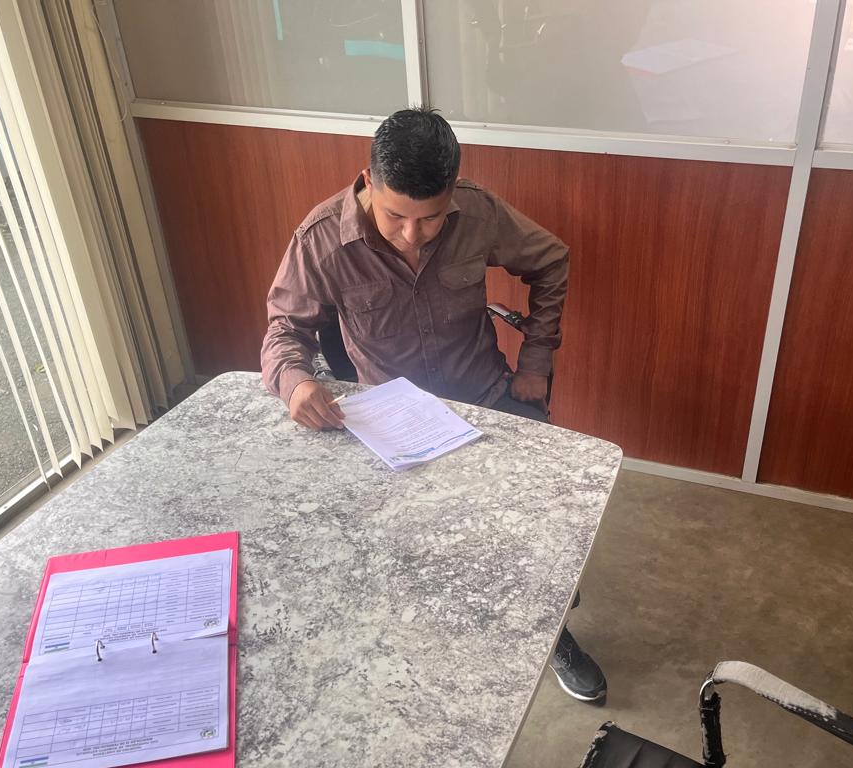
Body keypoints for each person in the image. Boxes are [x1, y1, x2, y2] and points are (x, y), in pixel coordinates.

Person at [259, 107, 606, 703]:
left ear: (452, 194)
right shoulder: (321, 238)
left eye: (431, 218)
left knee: (532, 531)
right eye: (396, 216)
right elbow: (283, 329)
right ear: (367, 182)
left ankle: (553, 632)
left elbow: (551, 260)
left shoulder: (477, 212)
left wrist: (535, 361)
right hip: (391, 422)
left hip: (484, 401)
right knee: (405, 553)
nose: (413, 235)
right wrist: (295, 382)